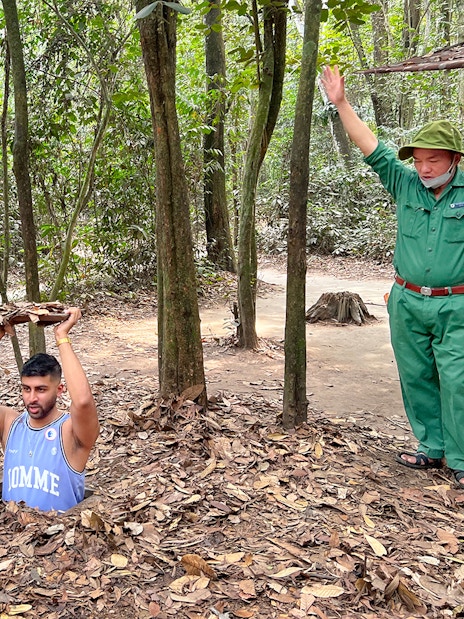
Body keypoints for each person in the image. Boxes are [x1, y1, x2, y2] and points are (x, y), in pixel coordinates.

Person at [321, 65, 464, 486]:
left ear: (455, 159)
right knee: (416, 374)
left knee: (457, 380)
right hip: (406, 299)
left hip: (456, 303)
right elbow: (370, 146)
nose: (423, 168)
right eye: (419, 160)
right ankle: (431, 449)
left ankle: (460, 457)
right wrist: (341, 102)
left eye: (432, 160)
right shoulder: (404, 184)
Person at [0, 308, 99, 511]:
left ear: (60, 389)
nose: (32, 398)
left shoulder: (70, 431)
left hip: (57, 538)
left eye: (41, 389)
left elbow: (82, 401)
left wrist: (61, 336)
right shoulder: (10, 424)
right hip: (12, 539)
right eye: (26, 389)